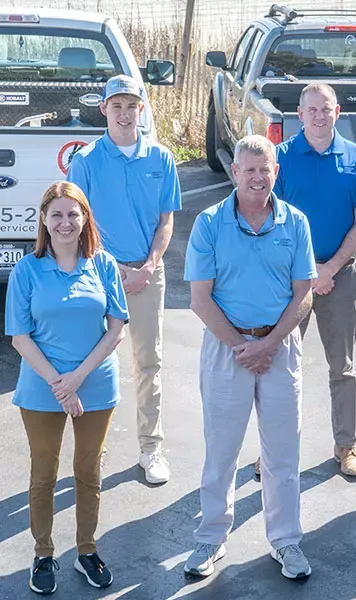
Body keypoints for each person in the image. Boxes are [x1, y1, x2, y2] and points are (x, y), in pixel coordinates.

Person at [183, 136, 316, 580]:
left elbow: (303, 295)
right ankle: (210, 538)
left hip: (279, 348)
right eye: (249, 170)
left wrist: (270, 343)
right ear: (235, 173)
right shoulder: (208, 223)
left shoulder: (295, 222)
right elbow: (200, 300)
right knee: (221, 452)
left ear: (276, 172)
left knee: (283, 456)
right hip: (227, 349)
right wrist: (243, 347)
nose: (258, 178)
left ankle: (286, 541)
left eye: (266, 169)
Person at [5, 181, 128, 594]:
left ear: (84, 218)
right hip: (41, 390)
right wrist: (60, 385)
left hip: (95, 385)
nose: (64, 223)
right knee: (44, 475)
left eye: (72, 214)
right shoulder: (27, 270)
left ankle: (86, 551)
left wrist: (77, 378)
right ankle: (43, 554)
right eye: (56, 214)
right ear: (43, 219)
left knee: (88, 472)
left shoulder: (103, 265)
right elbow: (20, 336)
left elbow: (116, 329)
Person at [255, 82, 356, 479]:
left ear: (337, 112)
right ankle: (271, 451)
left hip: (340, 277)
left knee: (342, 368)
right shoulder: (282, 159)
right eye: (312, 110)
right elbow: (271, 218)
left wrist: (330, 269)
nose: (319, 116)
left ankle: (346, 446)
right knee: (279, 366)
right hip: (291, 281)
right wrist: (308, 273)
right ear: (300, 114)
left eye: (326, 109)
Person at [67, 74, 181, 485]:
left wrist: (148, 266)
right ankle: (92, 452)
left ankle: (151, 449)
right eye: (116, 105)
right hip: (99, 273)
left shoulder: (161, 158)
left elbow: (166, 220)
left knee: (149, 362)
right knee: (97, 363)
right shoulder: (87, 159)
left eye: (131, 104)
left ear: (141, 109)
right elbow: (76, 224)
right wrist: (115, 270)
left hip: (149, 272)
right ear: (104, 109)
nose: (124, 112)